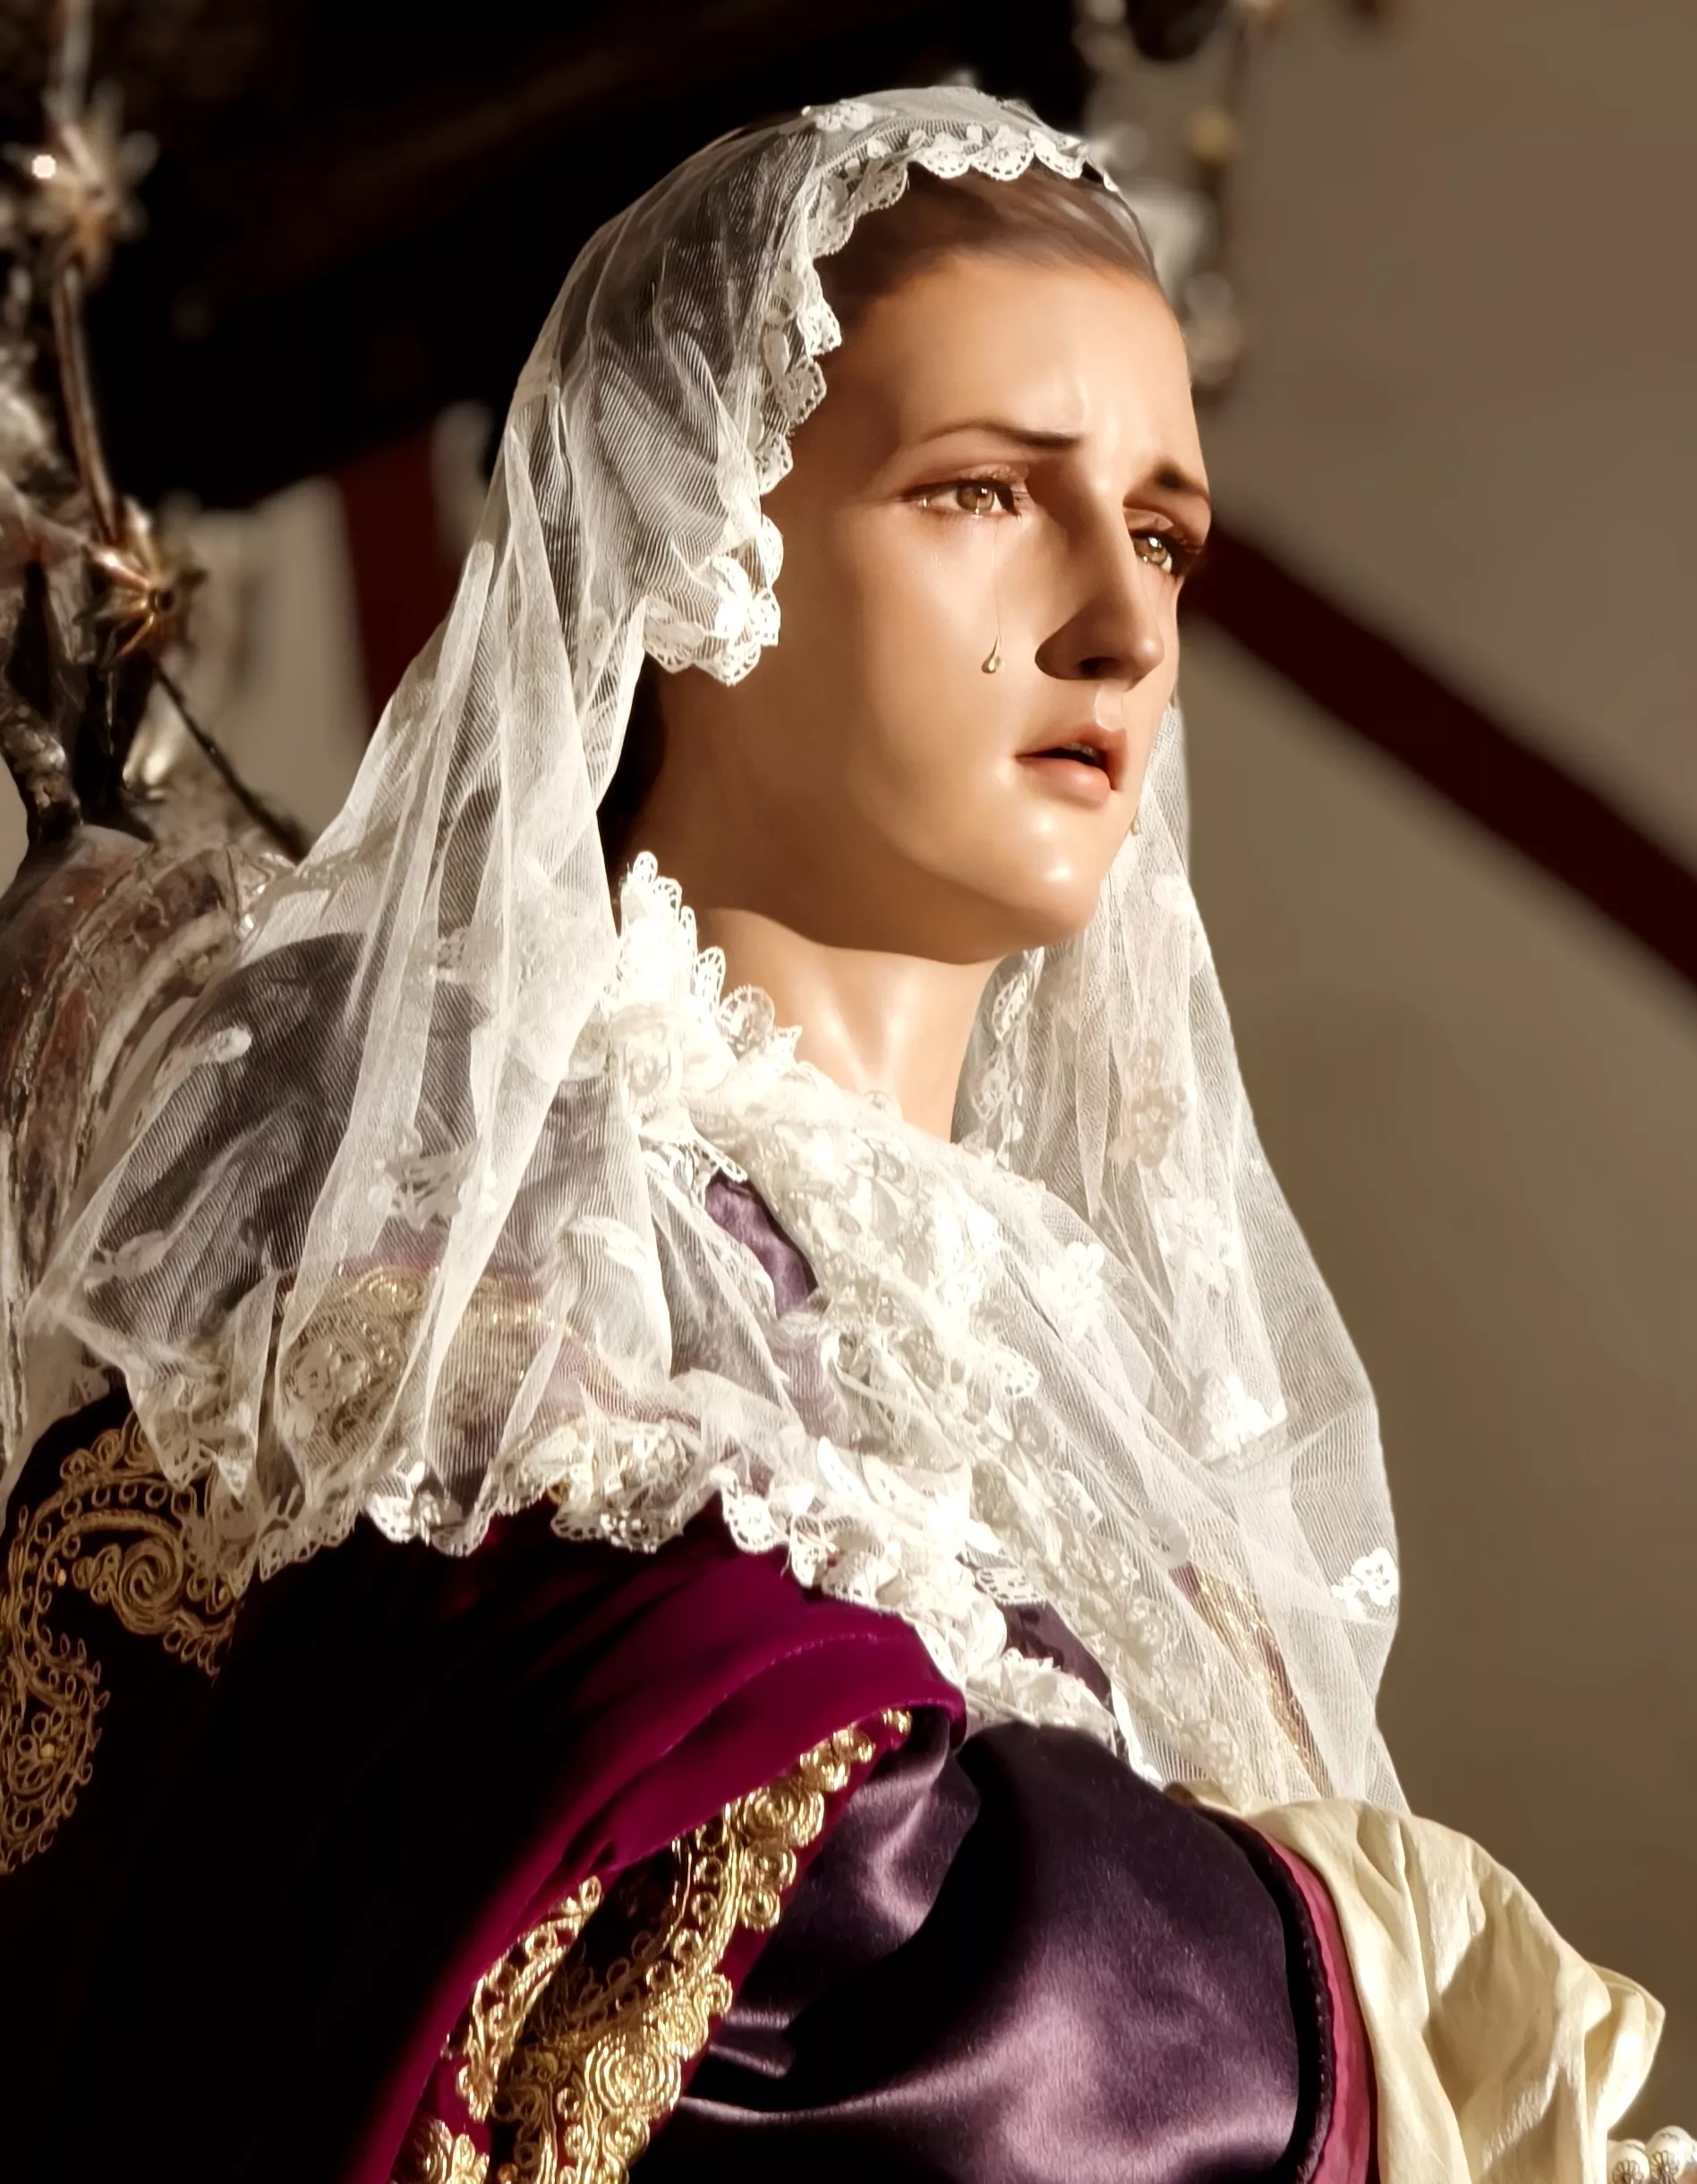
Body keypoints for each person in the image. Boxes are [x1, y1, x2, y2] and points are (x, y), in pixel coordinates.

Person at [0, 85, 1673, 2184]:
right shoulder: (507, 1207)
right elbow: (637, 1874)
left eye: (1163, 531)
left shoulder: (1089, 1366)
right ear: (695, 546)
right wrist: (1309, 1992)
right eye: (984, 491)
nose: (1124, 622)